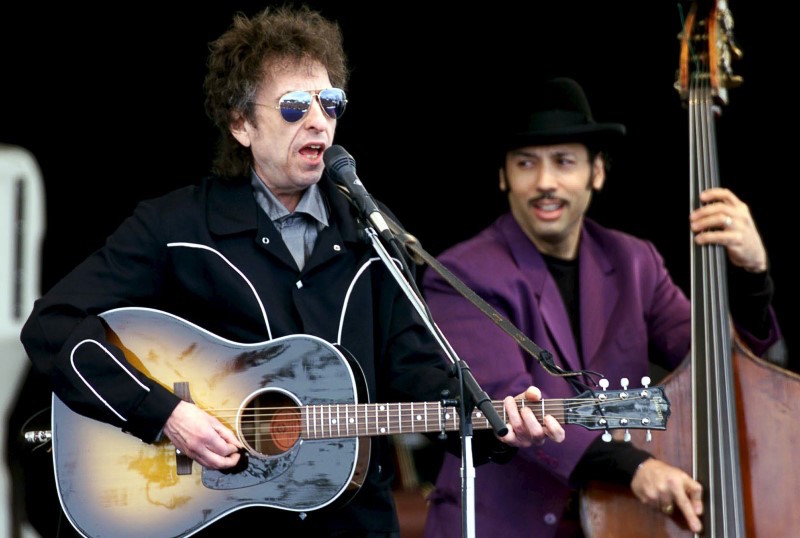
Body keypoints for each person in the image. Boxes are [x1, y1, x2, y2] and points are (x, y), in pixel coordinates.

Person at [19, 7, 564, 537]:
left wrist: (495, 424)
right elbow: (53, 325)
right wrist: (165, 414)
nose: (318, 121)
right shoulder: (177, 227)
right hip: (222, 518)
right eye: (293, 106)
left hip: (351, 520)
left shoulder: (370, 230)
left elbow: (416, 372)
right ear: (241, 124)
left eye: (330, 103)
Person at [421, 77, 782, 538]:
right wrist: (634, 467)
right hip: (506, 524)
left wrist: (753, 275)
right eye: (526, 163)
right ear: (503, 177)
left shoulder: (635, 262)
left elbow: (717, 369)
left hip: (618, 521)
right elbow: (507, 403)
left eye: (564, 162)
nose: (545, 182)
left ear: (597, 172)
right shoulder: (459, 273)